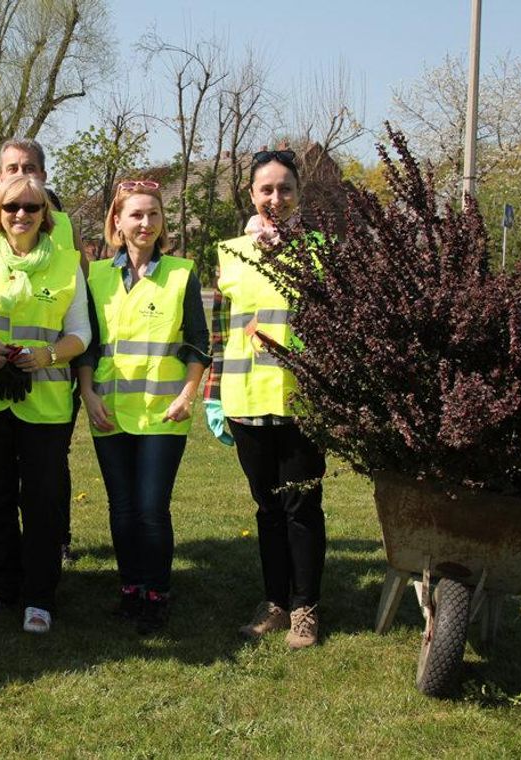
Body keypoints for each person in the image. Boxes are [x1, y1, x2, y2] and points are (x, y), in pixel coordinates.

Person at [203, 149, 327, 649]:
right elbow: (217, 333)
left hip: (302, 402)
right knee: (267, 509)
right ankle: (275, 602)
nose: (276, 198)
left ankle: (305, 608)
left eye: (285, 188)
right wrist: (214, 396)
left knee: (302, 507)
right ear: (251, 194)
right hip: (245, 398)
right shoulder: (229, 253)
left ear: (299, 194)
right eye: (266, 189)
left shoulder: (321, 251)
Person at [0, 175, 90, 634]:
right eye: (12, 206)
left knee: (43, 501)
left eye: (32, 208)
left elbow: (81, 334)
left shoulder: (68, 264)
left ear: (44, 215)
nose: (21, 215)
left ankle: (39, 594)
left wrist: (48, 355)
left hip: (46, 402)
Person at [75, 180, 209, 635]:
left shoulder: (180, 273)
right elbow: (88, 346)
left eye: (153, 215)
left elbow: (197, 344)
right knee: (122, 508)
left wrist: (187, 395)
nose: (145, 223)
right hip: (108, 410)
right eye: (136, 215)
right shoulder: (95, 276)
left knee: (152, 508)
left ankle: (156, 592)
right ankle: (130, 588)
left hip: (162, 412)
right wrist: (88, 394)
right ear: (117, 221)